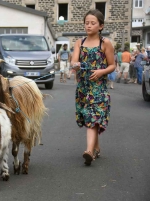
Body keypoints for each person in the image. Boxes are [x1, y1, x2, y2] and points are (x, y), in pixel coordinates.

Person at [71, 9, 115, 166]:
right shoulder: (79, 43)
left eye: (92, 23)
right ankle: (95, 147)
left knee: (93, 117)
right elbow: (74, 61)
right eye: (86, 23)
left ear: (101, 26)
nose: (88, 26)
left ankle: (89, 151)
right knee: (89, 118)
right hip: (83, 88)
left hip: (99, 88)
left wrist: (101, 71)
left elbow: (112, 65)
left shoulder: (105, 43)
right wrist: (74, 66)